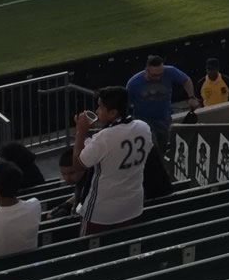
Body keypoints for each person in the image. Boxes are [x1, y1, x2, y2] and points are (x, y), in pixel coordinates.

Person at [74, 86, 153, 236]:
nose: (97, 111)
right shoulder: (144, 127)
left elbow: (78, 165)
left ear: (113, 113)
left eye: (100, 107)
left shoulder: (104, 137)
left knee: (87, 251)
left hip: (102, 211)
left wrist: (80, 131)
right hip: (132, 206)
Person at [125, 55, 198, 159]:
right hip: (144, 122)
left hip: (164, 119)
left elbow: (186, 80)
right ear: (147, 70)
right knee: (153, 147)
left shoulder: (170, 71)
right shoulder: (133, 84)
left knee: (162, 147)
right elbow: (126, 104)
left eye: (160, 74)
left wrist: (191, 97)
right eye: (154, 75)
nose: (158, 78)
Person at [46, 146, 88, 223]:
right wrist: (65, 205)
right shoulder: (83, 179)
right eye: (63, 173)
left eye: (71, 173)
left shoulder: (89, 185)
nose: (67, 178)